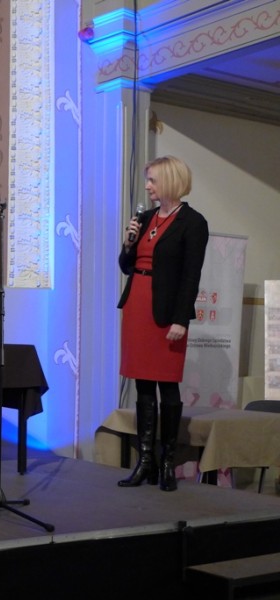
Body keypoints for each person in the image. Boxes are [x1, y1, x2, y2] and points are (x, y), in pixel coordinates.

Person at [117, 156, 209, 492]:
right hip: (138, 305)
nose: (147, 186)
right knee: (142, 385)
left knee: (167, 385)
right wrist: (129, 244)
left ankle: (167, 461)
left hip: (167, 311)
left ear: (169, 180)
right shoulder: (144, 218)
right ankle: (146, 461)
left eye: (152, 180)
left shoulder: (193, 222)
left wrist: (181, 319)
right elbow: (126, 265)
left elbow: (191, 276)